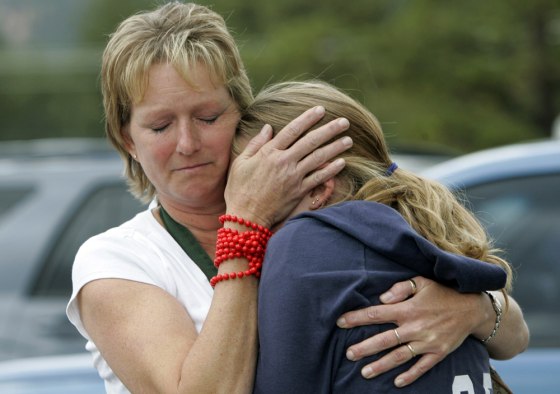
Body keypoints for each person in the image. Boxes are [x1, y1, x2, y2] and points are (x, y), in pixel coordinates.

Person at [65, 2, 528, 393]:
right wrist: (245, 223)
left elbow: (516, 335)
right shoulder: (116, 261)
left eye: (207, 117)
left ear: (242, 114)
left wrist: (470, 310)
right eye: (161, 126)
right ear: (127, 139)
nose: (187, 143)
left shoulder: (313, 212)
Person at [234, 80, 519, 393]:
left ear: (319, 187)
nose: (238, 199)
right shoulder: (413, 229)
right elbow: (517, 334)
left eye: (254, 180)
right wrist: (480, 311)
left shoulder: (303, 244)